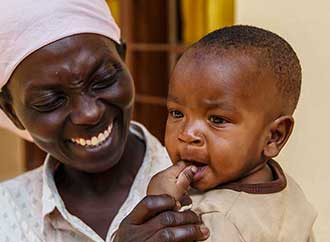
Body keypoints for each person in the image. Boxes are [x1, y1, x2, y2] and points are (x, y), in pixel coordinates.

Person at [0, 0, 210, 241]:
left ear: (124, 59)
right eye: (50, 101)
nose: (89, 113)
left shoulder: (208, 181)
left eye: (104, 79)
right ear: (12, 112)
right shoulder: (7, 215)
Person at [147, 25, 317, 242]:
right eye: (177, 113)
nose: (188, 134)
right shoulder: (289, 196)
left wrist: (158, 209)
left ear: (274, 136)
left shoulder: (210, 221)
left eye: (217, 120)